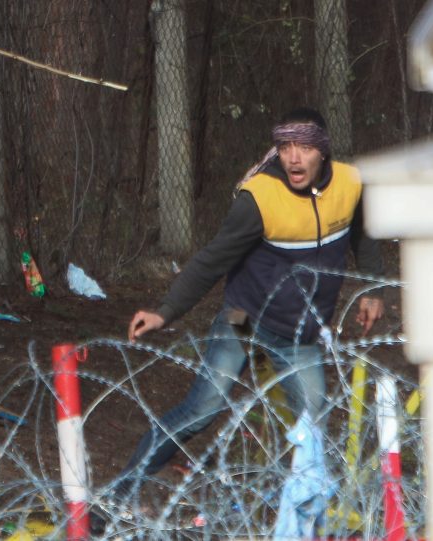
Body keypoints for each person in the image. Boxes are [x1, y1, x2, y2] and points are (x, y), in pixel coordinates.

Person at [112, 107, 385, 503]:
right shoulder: (260, 197)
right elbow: (212, 259)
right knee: (204, 408)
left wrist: (372, 291)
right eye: (286, 146)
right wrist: (165, 311)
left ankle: (305, 517)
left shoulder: (349, 184)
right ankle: (118, 497)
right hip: (245, 318)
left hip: (299, 334)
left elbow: (363, 235)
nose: (293, 157)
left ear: (322, 152)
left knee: (312, 424)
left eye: (304, 147)